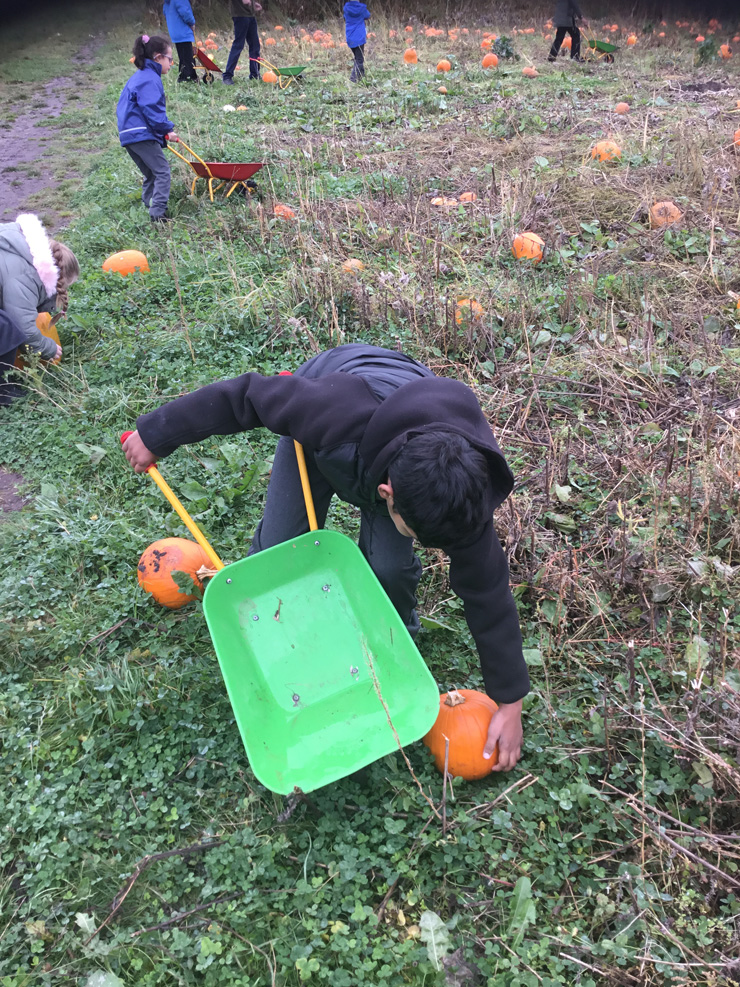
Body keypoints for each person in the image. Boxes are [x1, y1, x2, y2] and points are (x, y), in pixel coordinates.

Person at [122, 344, 530, 771]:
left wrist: (510, 702)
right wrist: (156, 434)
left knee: (389, 567)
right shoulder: (326, 410)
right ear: (387, 496)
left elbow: (487, 593)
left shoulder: (463, 492)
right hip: (331, 432)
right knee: (278, 549)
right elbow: (245, 395)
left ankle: (394, 647)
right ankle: (275, 645)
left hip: (405, 442)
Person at [0, 213, 79, 405]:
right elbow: (23, 325)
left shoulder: (21, 245)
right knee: (7, 327)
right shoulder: (24, 275)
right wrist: (48, 348)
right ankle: (3, 389)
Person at [117, 35, 178, 223]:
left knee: (151, 172)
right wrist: (167, 129)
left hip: (129, 134)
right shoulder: (150, 79)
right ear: (158, 57)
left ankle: (148, 202)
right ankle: (158, 213)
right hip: (140, 133)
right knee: (162, 171)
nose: (171, 63)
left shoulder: (141, 76)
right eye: (170, 59)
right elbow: (152, 109)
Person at [222, 0, 262, 85]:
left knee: (255, 46)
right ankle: (227, 76)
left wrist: (253, 4)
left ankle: (255, 74)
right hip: (240, 16)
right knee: (238, 45)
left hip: (250, 16)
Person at [163, 0, 198, 82]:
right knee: (188, 57)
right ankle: (188, 77)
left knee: (183, 56)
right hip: (183, 31)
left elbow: (165, 12)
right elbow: (185, 12)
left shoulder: (168, 2)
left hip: (175, 31)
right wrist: (192, 22)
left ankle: (185, 75)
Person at [343, 1, 371, 82]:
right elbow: (368, 15)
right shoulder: (361, 9)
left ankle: (362, 76)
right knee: (359, 59)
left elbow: (345, 17)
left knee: (357, 58)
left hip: (350, 37)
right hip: (359, 37)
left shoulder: (346, 8)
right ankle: (353, 78)